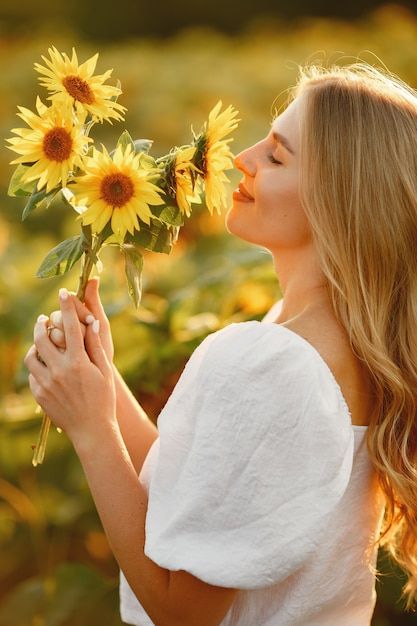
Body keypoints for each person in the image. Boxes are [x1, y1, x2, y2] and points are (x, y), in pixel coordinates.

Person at [24, 60, 417, 625]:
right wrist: (103, 384)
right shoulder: (333, 338)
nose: (243, 159)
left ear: (338, 202)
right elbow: (206, 495)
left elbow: (182, 612)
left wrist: (91, 432)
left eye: (276, 156)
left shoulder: (272, 364)